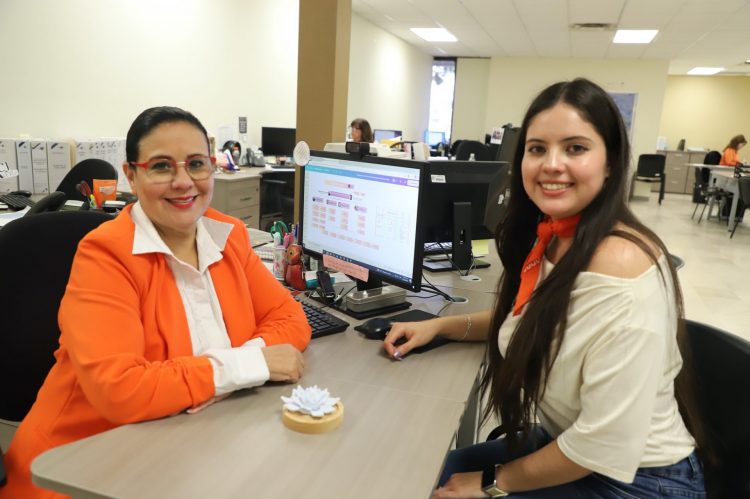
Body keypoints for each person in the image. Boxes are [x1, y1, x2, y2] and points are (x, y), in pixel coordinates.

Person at [384, 79, 711, 498]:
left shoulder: (623, 272)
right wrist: (440, 326)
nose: (551, 164)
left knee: (431, 485)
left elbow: (600, 444)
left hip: (637, 480)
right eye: (537, 148)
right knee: (425, 470)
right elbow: (539, 319)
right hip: (572, 443)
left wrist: (491, 483)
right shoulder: (556, 237)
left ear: (610, 163)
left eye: (575, 148)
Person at [1, 106, 311, 498]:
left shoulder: (228, 236)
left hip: (184, 447)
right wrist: (252, 364)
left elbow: (290, 318)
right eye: (161, 166)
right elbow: (120, 390)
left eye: (196, 164)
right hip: (77, 467)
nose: (183, 182)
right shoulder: (104, 255)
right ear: (131, 175)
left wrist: (230, 370)